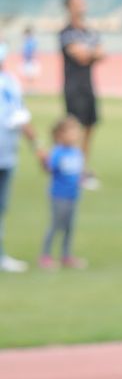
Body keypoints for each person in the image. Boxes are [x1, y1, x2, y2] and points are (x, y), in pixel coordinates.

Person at [0, 53, 43, 272]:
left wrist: (37, 146)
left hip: (7, 155)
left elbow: (20, 116)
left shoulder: (9, 82)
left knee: (1, 207)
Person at [59, 0, 105, 190]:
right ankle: (68, 168)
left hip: (88, 86)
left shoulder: (89, 32)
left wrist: (90, 53)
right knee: (73, 129)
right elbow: (81, 56)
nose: (81, 5)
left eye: (82, 2)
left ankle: (81, 168)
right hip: (73, 87)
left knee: (89, 127)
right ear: (69, 7)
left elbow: (101, 53)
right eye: (77, 2)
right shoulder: (66, 32)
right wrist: (90, 53)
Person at [39, 116, 87, 270]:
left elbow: (78, 173)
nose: (76, 135)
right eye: (71, 131)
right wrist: (43, 160)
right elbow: (49, 169)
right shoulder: (58, 153)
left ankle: (66, 255)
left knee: (69, 227)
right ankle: (45, 256)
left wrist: (85, 178)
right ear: (60, 135)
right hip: (59, 195)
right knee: (55, 225)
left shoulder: (77, 152)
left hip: (73, 195)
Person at [19, 26, 38, 91]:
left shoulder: (31, 41)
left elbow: (33, 51)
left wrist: (32, 59)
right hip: (27, 60)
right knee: (27, 75)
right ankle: (29, 88)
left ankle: (31, 88)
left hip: (30, 60)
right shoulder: (26, 41)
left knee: (30, 75)